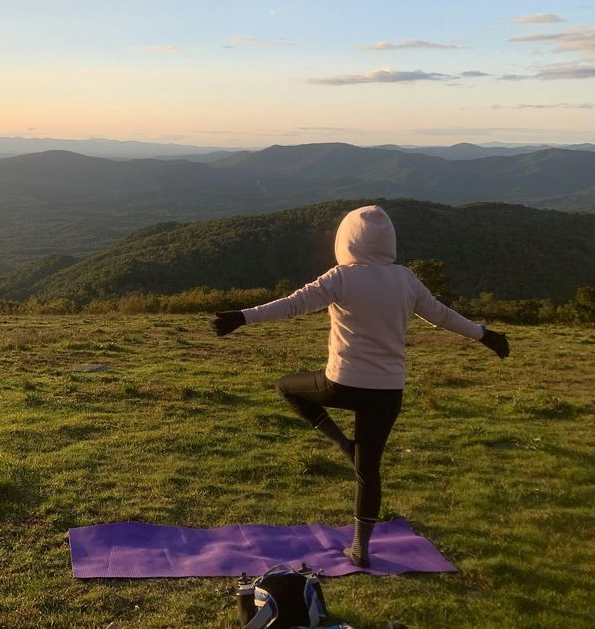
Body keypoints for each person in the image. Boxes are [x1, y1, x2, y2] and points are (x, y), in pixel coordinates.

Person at [209, 204, 509, 567]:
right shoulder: (406, 280)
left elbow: (293, 305)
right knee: (369, 470)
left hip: (342, 384)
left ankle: (341, 443)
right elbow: (442, 315)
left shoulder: (342, 277)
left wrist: (242, 317)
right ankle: (361, 549)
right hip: (388, 392)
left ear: (348, 240)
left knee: (288, 387)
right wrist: (484, 335)